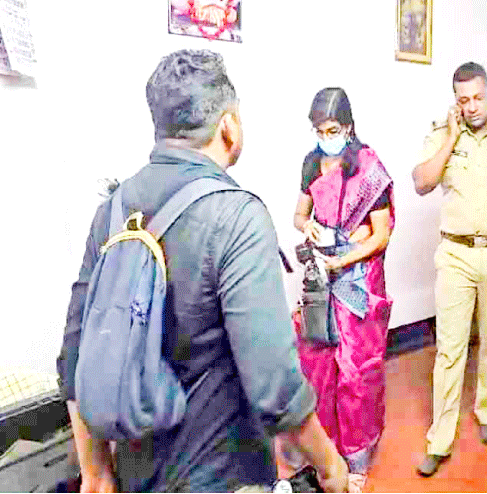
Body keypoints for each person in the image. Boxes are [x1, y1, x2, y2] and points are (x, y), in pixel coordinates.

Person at [55, 49, 349, 493]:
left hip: (135, 474)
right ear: (228, 127)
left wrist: (96, 474)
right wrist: (329, 465)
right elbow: (275, 386)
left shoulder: (112, 210)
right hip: (221, 474)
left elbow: (75, 355)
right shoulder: (237, 216)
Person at [412, 62, 487, 477]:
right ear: (455, 101)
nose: (471, 106)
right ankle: (439, 438)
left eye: (477, 98)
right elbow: (422, 182)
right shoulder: (442, 133)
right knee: (450, 349)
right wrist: (452, 139)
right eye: (463, 100)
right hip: (455, 254)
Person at [289, 87, 394, 489]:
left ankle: (357, 457)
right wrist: (309, 226)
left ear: (348, 127)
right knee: (318, 363)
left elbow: (380, 235)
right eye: (319, 130)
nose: (325, 137)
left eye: (332, 130)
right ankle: (324, 449)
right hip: (322, 276)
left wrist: (345, 259)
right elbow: (299, 215)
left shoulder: (367, 168)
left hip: (357, 280)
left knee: (356, 371)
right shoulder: (311, 163)